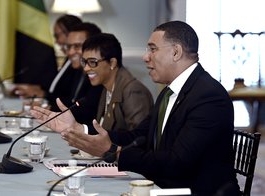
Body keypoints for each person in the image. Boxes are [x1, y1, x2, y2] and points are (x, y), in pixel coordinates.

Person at [30, 21, 240, 195]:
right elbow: (137, 136)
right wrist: (80, 129)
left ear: (176, 52)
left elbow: (177, 162)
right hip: (163, 185)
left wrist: (113, 152)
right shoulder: (169, 92)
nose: (145, 56)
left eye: (153, 49)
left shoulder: (208, 96)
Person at [19, 21, 104, 125]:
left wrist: (49, 108)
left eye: (77, 46)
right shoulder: (79, 69)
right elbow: (73, 102)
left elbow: (87, 113)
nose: (70, 52)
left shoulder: (100, 74)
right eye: (68, 47)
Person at [81, 33, 153, 131]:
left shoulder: (133, 91)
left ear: (112, 63)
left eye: (92, 62)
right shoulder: (107, 86)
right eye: (84, 62)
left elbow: (138, 140)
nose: (86, 68)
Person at [13, 14, 82, 98]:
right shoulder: (69, 61)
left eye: (57, 36)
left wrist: (43, 94)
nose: (56, 41)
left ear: (70, 33)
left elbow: (70, 97)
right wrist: (34, 88)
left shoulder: (77, 63)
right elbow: (58, 87)